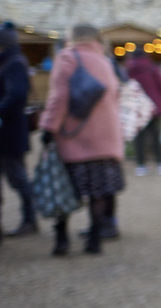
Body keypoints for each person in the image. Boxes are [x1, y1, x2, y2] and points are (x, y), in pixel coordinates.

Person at [39, 24, 126, 256]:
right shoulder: (106, 61)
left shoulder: (68, 57)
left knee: (64, 188)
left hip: (75, 136)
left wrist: (48, 127)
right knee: (97, 191)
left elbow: (59, 97)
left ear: (72, 37)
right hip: (106, 138)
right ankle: (95, 240)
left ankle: (62, 240)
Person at [0, 25, 38, 238]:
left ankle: (30, 219)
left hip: (9, 132)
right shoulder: (10, 61)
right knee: (18, 177)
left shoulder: (13, 63)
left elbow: (16, 95)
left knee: (18, 178)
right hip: (9, 131)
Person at [126, 48, 161, 176]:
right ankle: (160, 163)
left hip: (137, 109)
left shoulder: (128, 71)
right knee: (155, 137)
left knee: (139, 139)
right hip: (154, 107)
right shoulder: (152, 68)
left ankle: (141, 165)